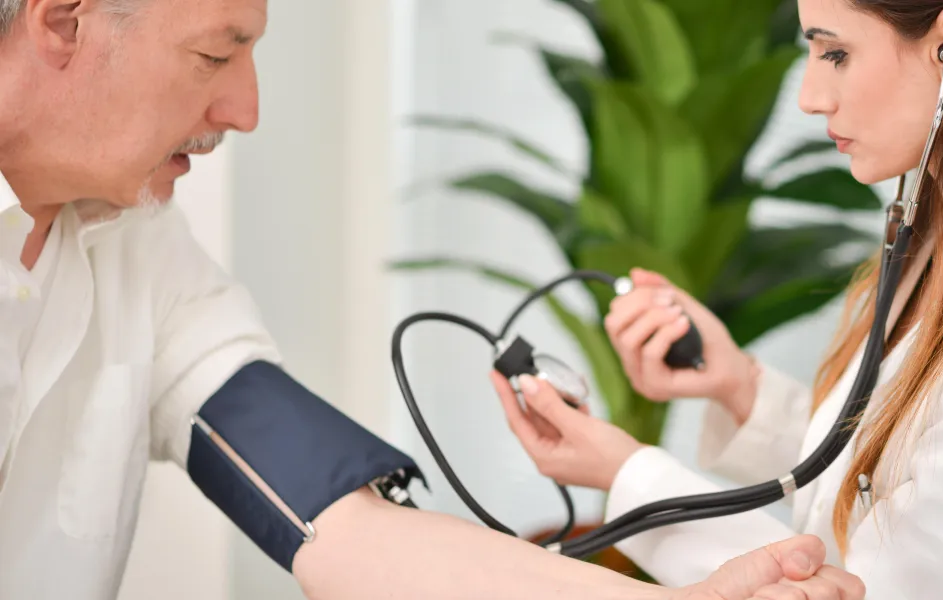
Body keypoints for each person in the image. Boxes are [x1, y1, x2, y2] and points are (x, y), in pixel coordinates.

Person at [0, 0, 867, 599]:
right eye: (216, 54)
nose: (246, 108)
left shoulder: (139, 246)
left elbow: (339, 523)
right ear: (61, 21)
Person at [491, 0, 943, 598]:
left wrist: (625, 476)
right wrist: (741, 390)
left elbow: (851, 589)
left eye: (834, 53)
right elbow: (893, 482)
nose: (809, 96)